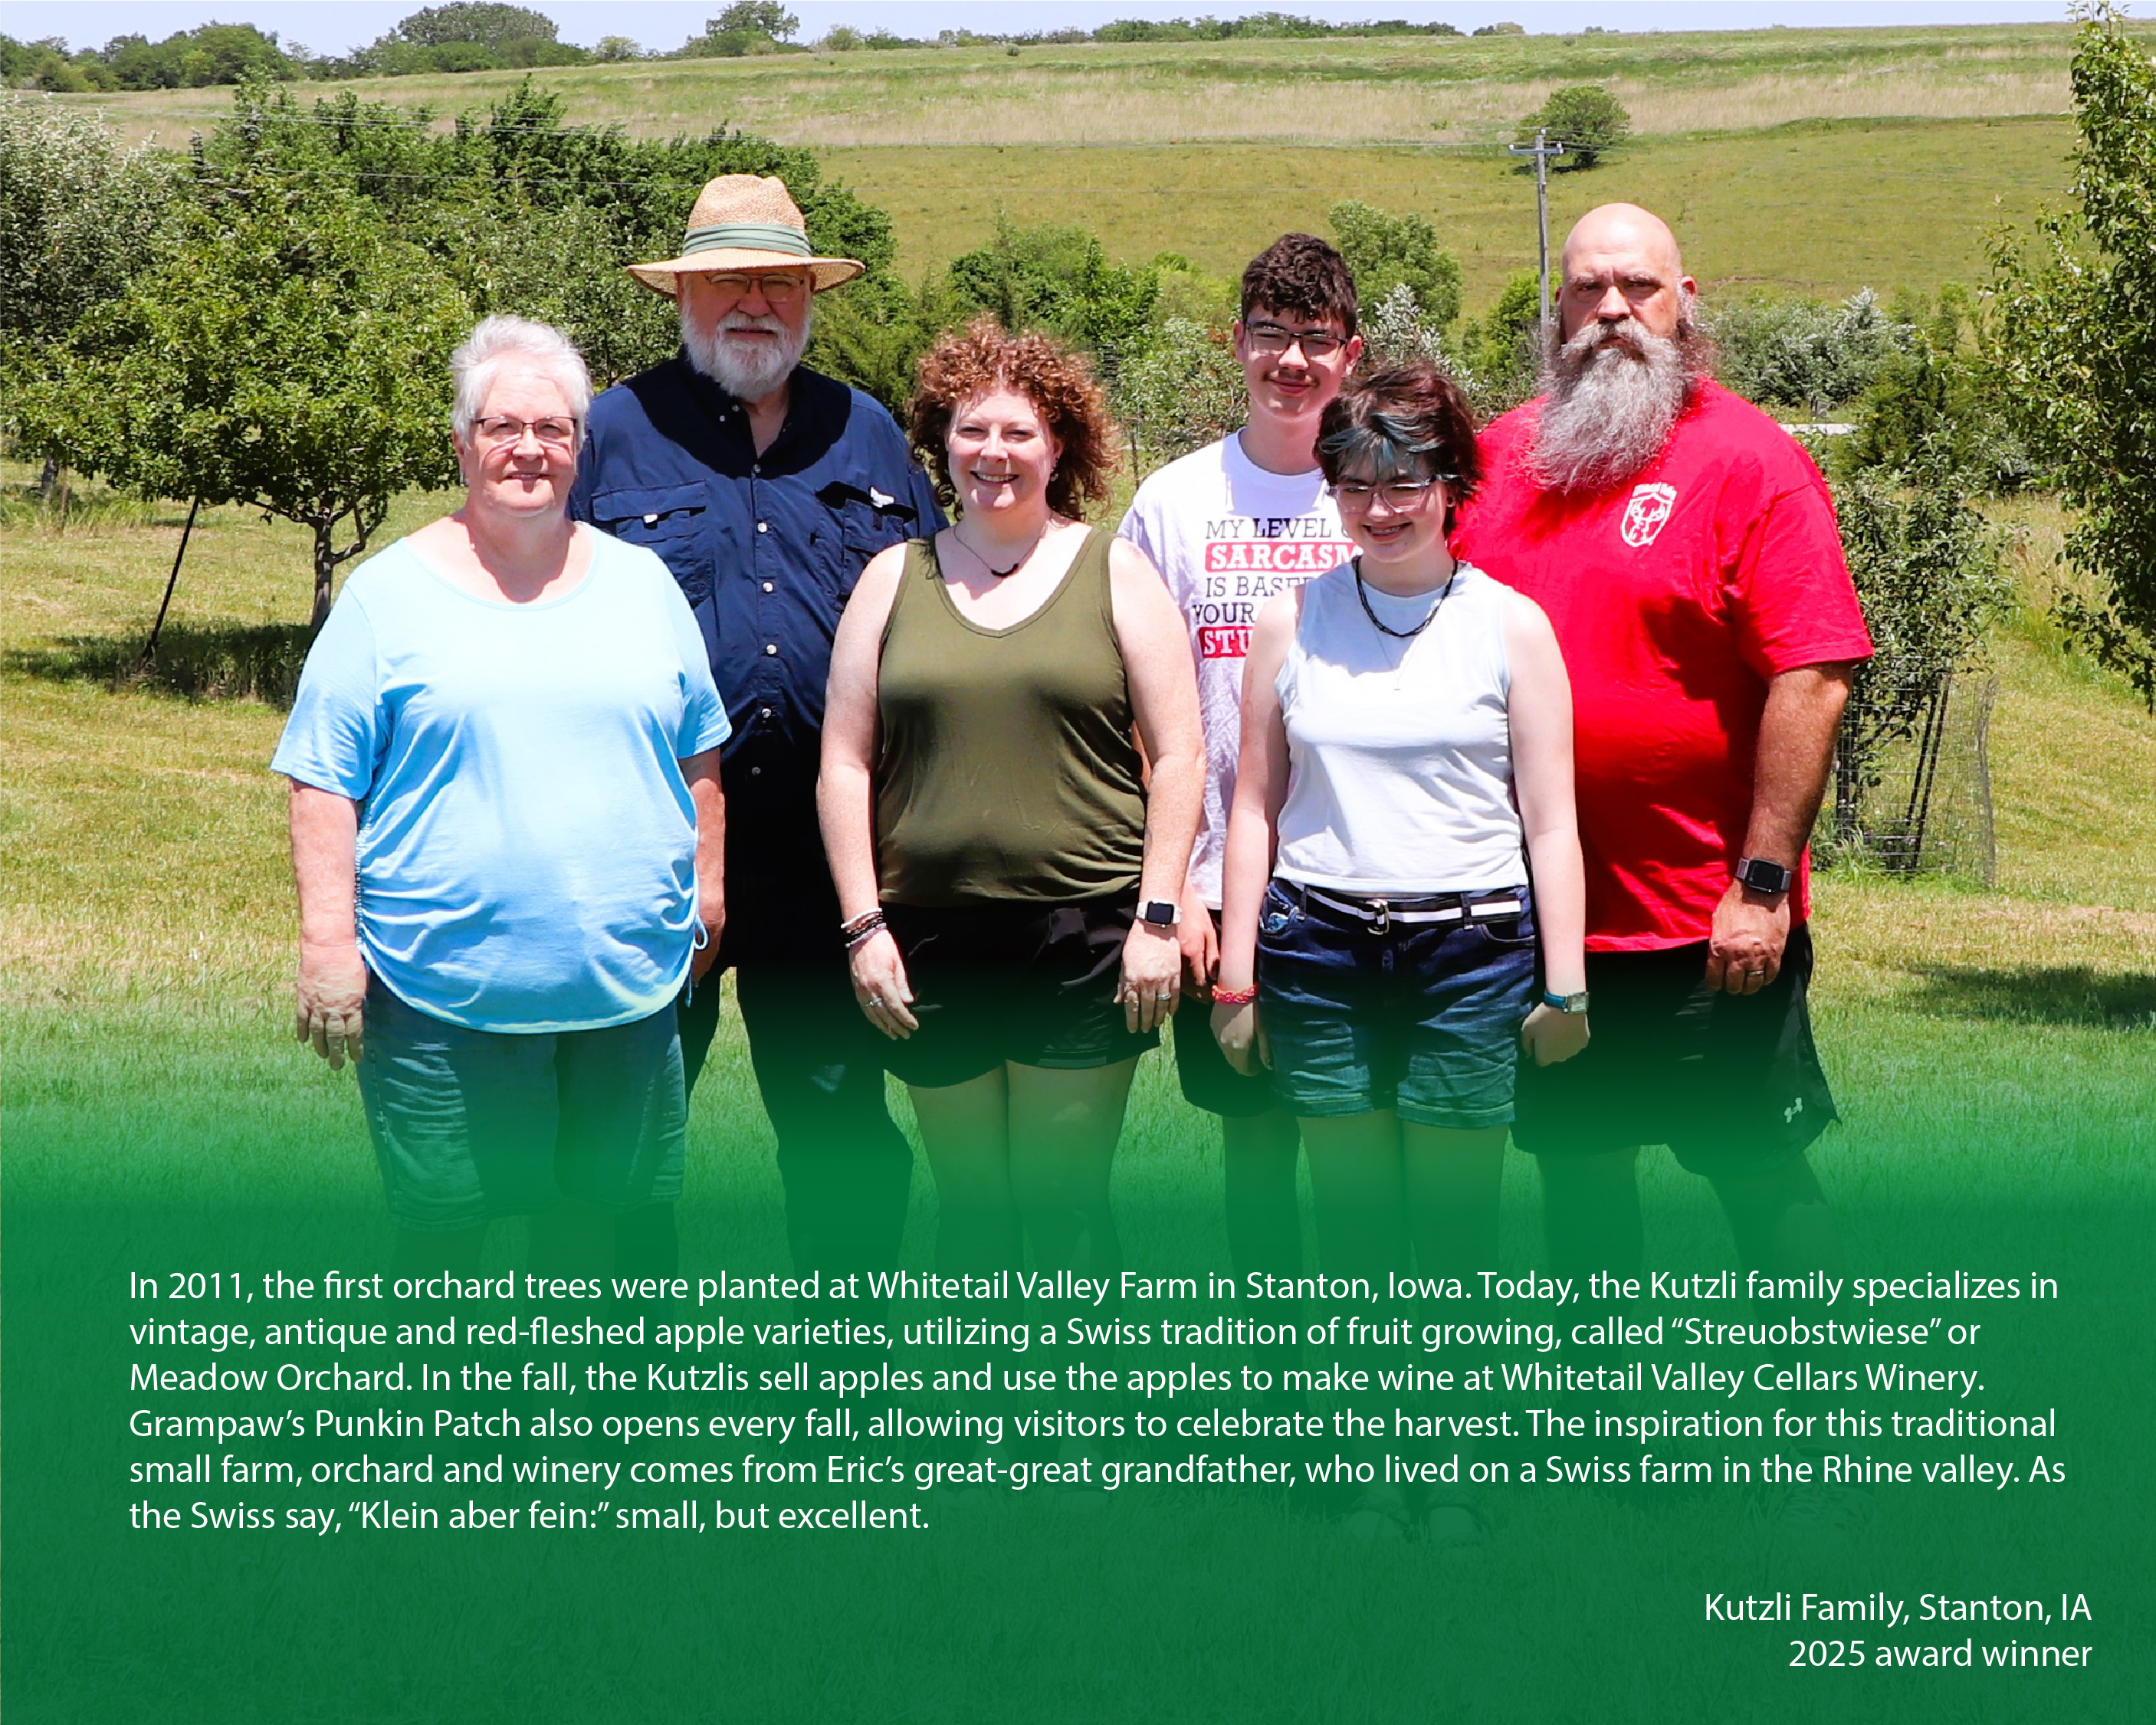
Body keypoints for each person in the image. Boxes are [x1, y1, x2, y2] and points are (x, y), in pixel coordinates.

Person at [1449, 204, 1874, 1521]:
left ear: (1685, 299)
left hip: (1706, 923)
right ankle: (1603, 1439)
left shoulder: (1748, 462)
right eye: (1588, 290)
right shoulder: (1502, 462)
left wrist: (1758, 886)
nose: (1614, 311)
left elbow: (1812, 672)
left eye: (1638, 286)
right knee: (1578, 1172)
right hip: (1547, 927)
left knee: (1753, 1166)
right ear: (1555, 308)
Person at [1210, 360, 1588, 1543]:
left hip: (1469, 956)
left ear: (1451, 482)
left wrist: (1564, 982)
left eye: (1408, 477)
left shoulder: (1511, 626)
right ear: (1328, 486)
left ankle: (1458, 1470)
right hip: (1318, 952)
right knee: (1359, 1239)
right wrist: (1237, 976)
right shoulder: (1293, 616)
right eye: (1358, 479)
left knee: (1456, 1241)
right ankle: (1380, 1466)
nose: (1382, 504)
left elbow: (1550, 820)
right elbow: (1256, 806)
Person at [274, 315, 728, 1280]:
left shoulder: (644, 586)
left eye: (554, 428)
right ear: (462, 442)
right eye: (501, 426)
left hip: (623, 990)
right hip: (440, 995)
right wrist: (326, 947)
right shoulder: (384, 597)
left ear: (581, 444)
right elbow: (322, 780)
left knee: (607, 1242)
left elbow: (700, 753)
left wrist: (708, 886)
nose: (529, 449)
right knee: (446, 1247)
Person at [569, 174, 943, 1281]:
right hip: (650, 841)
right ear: (683, 295)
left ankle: (840, 1384)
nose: (752, 302)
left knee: (838, 1122)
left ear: (808, 296)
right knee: (630, 1127)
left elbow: (928, 612)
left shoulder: (865, 433)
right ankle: (620, 1375)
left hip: (822, 851)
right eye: (726, 278)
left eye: (777, 280)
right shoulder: (612, 431)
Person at [819, 320, 1203, 1306]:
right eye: (971, 429)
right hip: (929, 934)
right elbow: (845, 764)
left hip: (1080, 934)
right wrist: (863, 927)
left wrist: (1158, 917)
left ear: (1059, 445)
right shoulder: (890, 580)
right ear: (941, 442)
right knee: (972, 1212)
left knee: (1063, 1207)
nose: (993, 453)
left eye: (1018, 433)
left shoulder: (1112, 571)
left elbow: (1178, 756)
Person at [1117, 232, 1361, 1307]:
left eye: (1315, 340)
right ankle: (1274, 1388)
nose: (1292, 362)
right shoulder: (1170, 503)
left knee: (1366, 1151)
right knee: (1256, 1148)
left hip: (1362, 877)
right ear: (1237, 344)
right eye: (1272, 336)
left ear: (1348, 355)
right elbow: (1135, 709)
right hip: (1221, 889)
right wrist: (1180, 890)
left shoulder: (1380, 496)